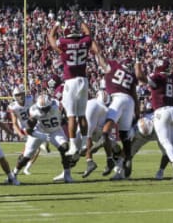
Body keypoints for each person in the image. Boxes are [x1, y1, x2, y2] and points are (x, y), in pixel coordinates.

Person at [47, 19, 97, 157]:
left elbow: (51, 39)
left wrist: (56, 25)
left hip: (71, 81)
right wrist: (81, 20)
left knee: (71, 116)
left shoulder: (64, 43)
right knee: (82, 115)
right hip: (83, 80)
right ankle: (85, 145)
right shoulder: (84, 41)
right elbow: (89, 33)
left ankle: (74, 146)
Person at [138, 58, 173, 179]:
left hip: (161, 111)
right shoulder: (172, 78)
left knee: (165, 142)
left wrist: (137, 64)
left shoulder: (157, 77)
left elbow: (142, 78)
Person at [94, 53, 142, 179]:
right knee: (124, 135)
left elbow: (101, 60)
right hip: (130, 101)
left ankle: (104, 137)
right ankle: (127, 158)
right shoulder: (131, 76)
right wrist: (137, 113)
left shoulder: (115, 67)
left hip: (117, 98)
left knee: (108, 122)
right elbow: (135, 96)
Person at [12, 93, 75, 183]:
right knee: (26, 157)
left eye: (46, 108)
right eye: (42, 109)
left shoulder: (57, 105)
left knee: (65, 148)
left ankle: (67, 174)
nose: (44, 111)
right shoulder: (34, 111)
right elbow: (29, 131)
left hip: (55, 131)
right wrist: (41, 136)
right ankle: (13, 174)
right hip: (40, 131)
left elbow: (65, 119)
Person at [8, 86, 42, 175]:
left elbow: (37, 109)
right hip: (24, 128)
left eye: (21, 94)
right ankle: (22, 167)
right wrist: (20, 134)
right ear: (14, 96)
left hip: (34, 126)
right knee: (36, 149)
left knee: (36, 149)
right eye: (18, 95)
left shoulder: (30, 99)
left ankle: (25, 167)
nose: (20, 97)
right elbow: (14, 123)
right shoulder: (13, 107)